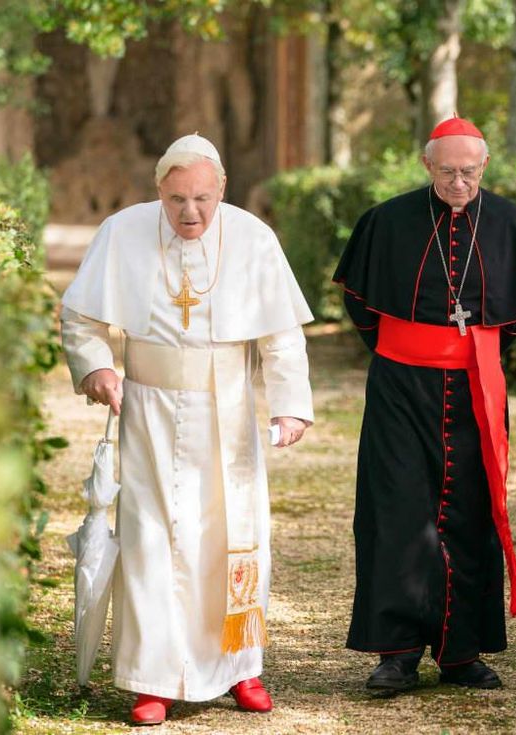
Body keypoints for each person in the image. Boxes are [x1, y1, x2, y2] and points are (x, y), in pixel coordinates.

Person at [61, 134, 314, 725]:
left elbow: (280, 336)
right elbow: (80, 318)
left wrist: (289, 405)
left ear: (221, 189)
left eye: (202, 198)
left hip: (228, 409)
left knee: (233, 537)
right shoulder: (123, 232)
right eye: (177, 199)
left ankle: (240, 666)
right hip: (147, 411)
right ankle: (154, 677)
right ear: (159, 192)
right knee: (153, 541)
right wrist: (97, 366)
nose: (190, 213)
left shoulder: (253, 238)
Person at [333, 115, 516, 693]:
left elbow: (512, 320)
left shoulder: (510, 223)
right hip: (400, 388)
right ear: (426, 167)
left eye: (468, 172)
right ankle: (397, 652)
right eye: (447, 172)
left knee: (470, 511)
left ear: (484, 167)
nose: (458, 183)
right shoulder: (386, 221)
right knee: (396, 512)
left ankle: (461, 651)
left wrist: (468, 351)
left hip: (474, 388)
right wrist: (412, 351)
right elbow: (362, 309)